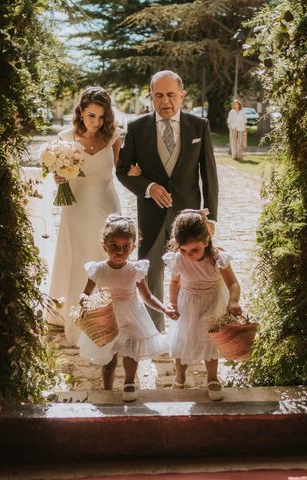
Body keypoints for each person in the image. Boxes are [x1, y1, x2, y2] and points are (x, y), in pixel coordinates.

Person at [116, 70, 219, 333]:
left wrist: (212, 218)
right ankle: (154, 331)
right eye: (159, 95)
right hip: (152, 213)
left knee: (194, 272)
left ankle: (191, 330)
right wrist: (148, 186)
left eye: (171, 95)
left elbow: (209, 176)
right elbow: (122, 169)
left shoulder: (199, 126)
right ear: (151, 96)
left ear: (182, 96)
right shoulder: (137, 128)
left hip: (190, 214)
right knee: (151, 271)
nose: (165, 102)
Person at [46, 86, 139, 346]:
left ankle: (110, 319)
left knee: (107, 259)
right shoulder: (65, 137)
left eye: (101, 116)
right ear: (80, 112)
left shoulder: (113, 137)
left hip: (106, 205)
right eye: (91, 116)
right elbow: (57, 172)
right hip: (76, 207)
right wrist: (58, 176)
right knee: (79, 259)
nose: (96, 122)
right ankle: (79, 318)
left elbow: (121, 170)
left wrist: (135, 172)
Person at [78, 215, 178, 402]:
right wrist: (83, 301)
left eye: (126, 247)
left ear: (133, 248)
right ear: (104, 246)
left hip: (132, 315)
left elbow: (147, 296)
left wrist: (164, 309)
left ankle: (129, 383)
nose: (120, 251)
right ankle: (107, 389)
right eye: (114, 246)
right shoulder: (97, 270)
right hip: (107, 317)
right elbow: (86, 293)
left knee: (131, 351)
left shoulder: (135, 270)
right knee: (109, 357)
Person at [163, 209, 243, 401]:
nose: (189, 255)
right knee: (184, 337)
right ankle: (180, 377)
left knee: (211, 340)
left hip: (213, 299)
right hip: (188, 300)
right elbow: (174, 282)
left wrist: (233, 301)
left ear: (206, 241)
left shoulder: (217, 258)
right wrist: (173, 304)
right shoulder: (178, 259)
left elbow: (233, 283)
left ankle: (212, 378)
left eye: (194, 250)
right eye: (184, 250)